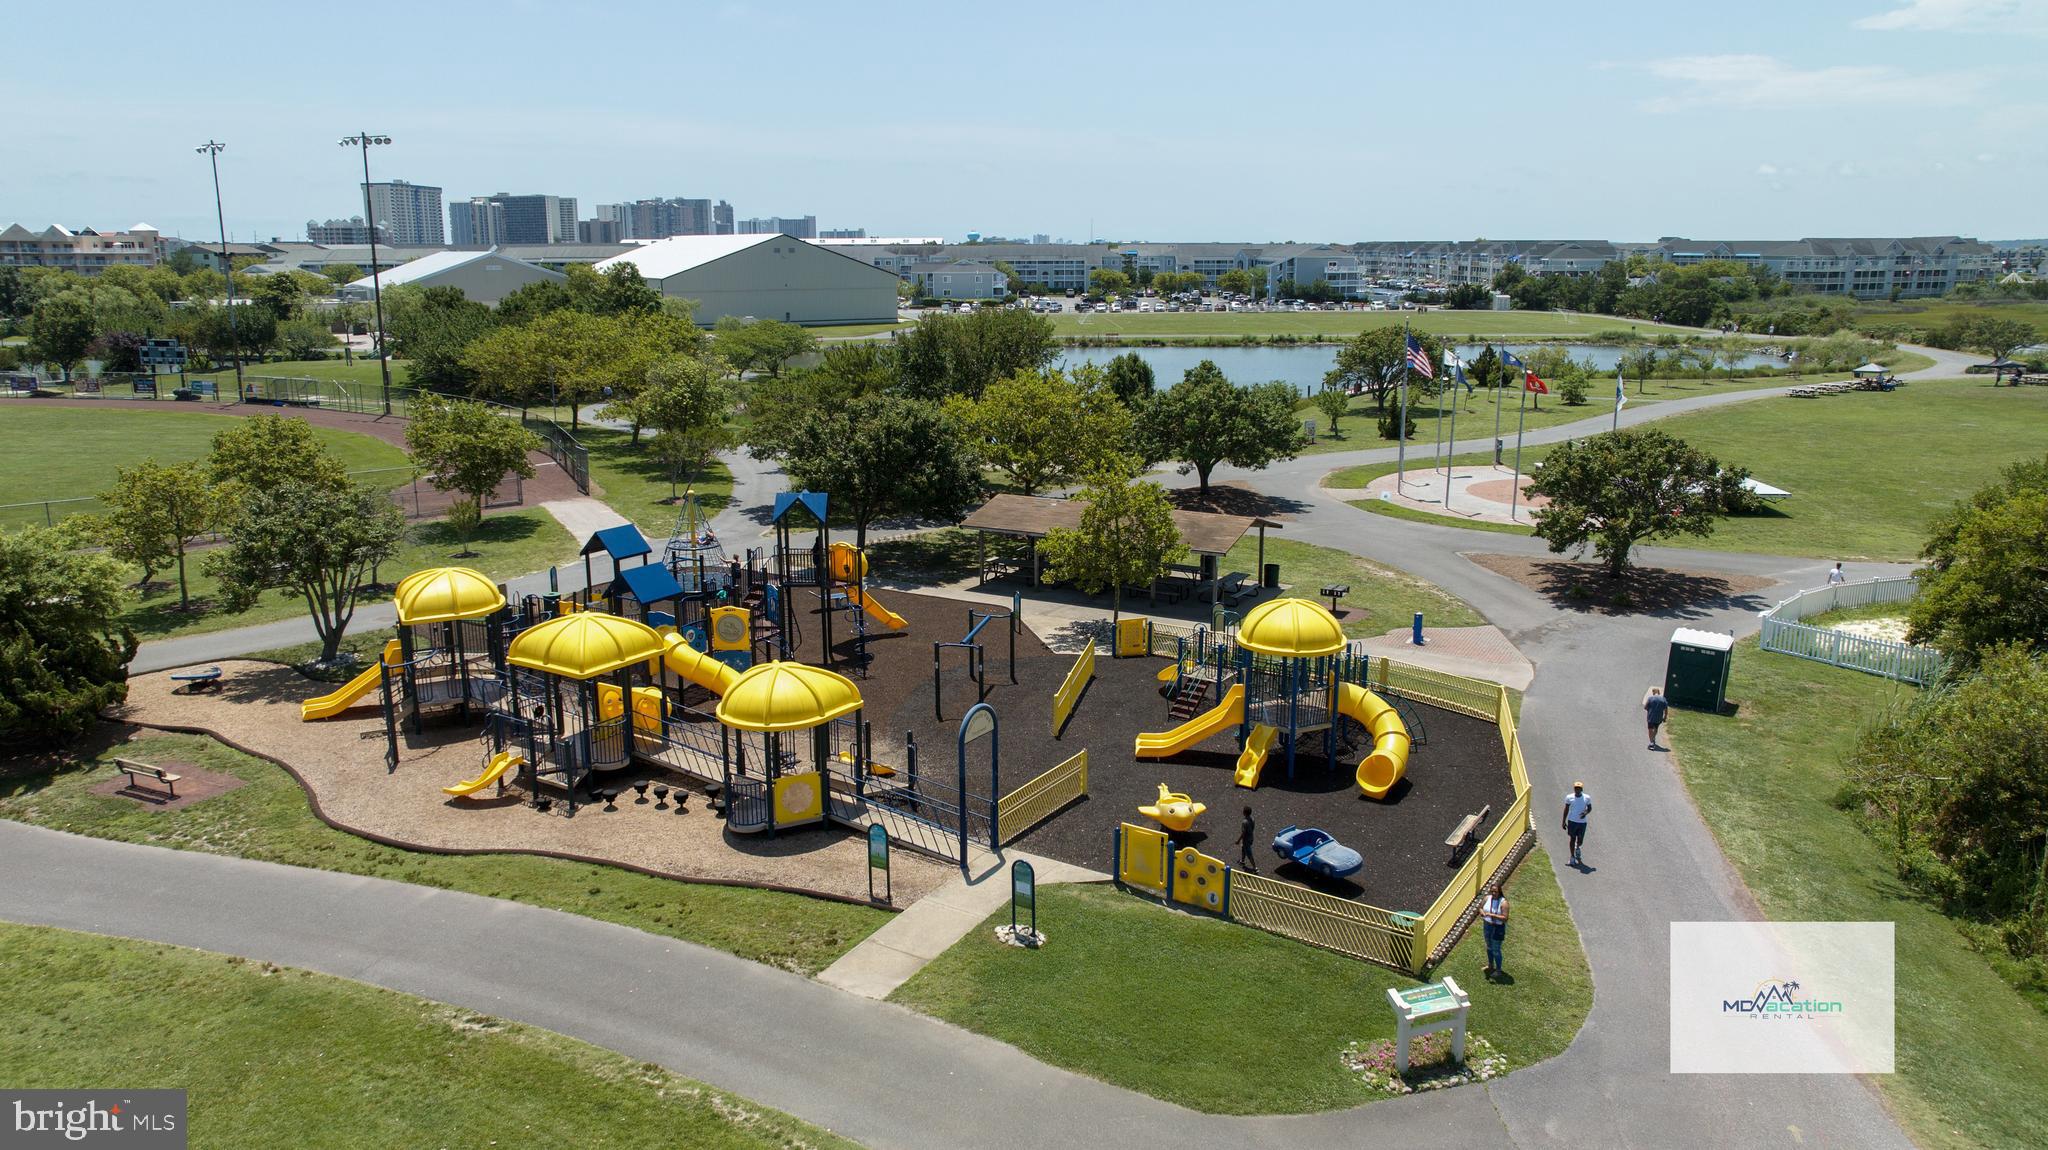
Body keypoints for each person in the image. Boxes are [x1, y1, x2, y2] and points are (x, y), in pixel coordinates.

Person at [1479, 881, 1510, 976]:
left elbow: (1505, 918)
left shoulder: (1504, 903)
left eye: (1495, 892)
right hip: (1487, 925)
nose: (1493, 893)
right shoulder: (1487, 898)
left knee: (1496, 949)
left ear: (1499, 891)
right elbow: (1480, 907)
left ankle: (1498, 970)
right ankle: (1490, 965)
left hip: (1497, 928)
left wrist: (1492, 915)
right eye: (1492, 891)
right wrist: (1482, 912)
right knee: (1489, 947)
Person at [1562, 782, 1592, 866]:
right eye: (1576, 788)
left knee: (1580, 840)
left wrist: (1585, 813)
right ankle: (1572, 857)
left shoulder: (1587, 797)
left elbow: (1589, 808)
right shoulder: (1569, 797)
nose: (1577, 790)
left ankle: (1577, 847)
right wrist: (1563, 821)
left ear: (1582, 789)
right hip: (1572, 821)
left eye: (1579, 788)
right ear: (1574, 789)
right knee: (1572, 838)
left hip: (1582, 823)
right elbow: (1566, 809)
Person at [1644, 686, 1670, 751]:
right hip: (1659, 717)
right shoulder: (1663, 699)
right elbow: (1666, 709)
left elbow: (1645, 707)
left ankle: (1651, 742)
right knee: (1655, 728)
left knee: (1650, 729)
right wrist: (1665, 717)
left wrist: (1649, 710)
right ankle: (1653, 738)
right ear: (1659, 692)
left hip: (1651, 716)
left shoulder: (1650, 698)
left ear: (1653, 692)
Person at [1237, 805, 1259, 873]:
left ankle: (1255, 868)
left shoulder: (1244, 822)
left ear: (1244, 812)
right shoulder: (1252, 819)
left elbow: (1243, 833)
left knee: (1249, 854)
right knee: (1243, 848)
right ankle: (1242, 861)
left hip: (1246, 840)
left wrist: (1238, 840)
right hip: (1251, 837)